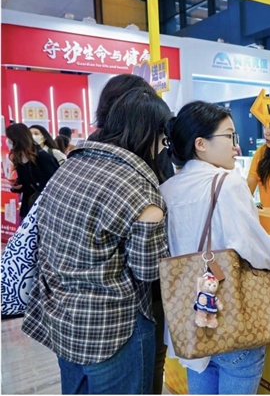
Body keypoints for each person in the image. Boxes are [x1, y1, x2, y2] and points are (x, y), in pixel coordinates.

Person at [22, 87, 172, 394]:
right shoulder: (138, 189)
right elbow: (148, 270)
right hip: (113, 329)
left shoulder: (71, 166)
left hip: (62, 317)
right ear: (149, 134)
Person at [161, 101, 270, 394]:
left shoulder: (167, 189)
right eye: (229, 136)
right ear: (201, 144)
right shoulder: (227, 184)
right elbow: (256, 249)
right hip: (231, 319)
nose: (236, 145)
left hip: (190, 324)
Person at [88, 73, 172, 394]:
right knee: (145, 366)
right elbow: (148, 264)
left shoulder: (87, 153)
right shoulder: (138, 163)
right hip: (136, 294)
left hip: (91, 299)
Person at [5, 123, 59, 222]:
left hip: (44, 209)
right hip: (28, 208)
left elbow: (56, 182)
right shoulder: (18, 157)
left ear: (17, 139)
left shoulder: (43, 157)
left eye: (9, 139)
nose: (7, 142)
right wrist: (17, 186)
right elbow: (27, 182)